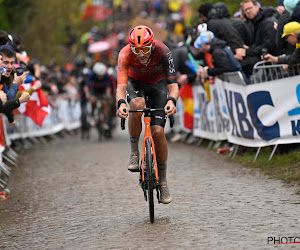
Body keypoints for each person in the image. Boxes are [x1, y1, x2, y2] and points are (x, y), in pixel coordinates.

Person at [116, 25, 179, 204]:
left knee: (158, 132)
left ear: (152, 45)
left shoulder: (163, 51)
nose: (141, 53)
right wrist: (121, 104)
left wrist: (171, 101)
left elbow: (173, 86)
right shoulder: (124, 54)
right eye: (136, 49)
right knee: (137, 104)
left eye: (144, 49)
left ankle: (164, 181)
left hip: (158, 85)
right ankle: (134, 151)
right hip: (135, 84)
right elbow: (121, 87)